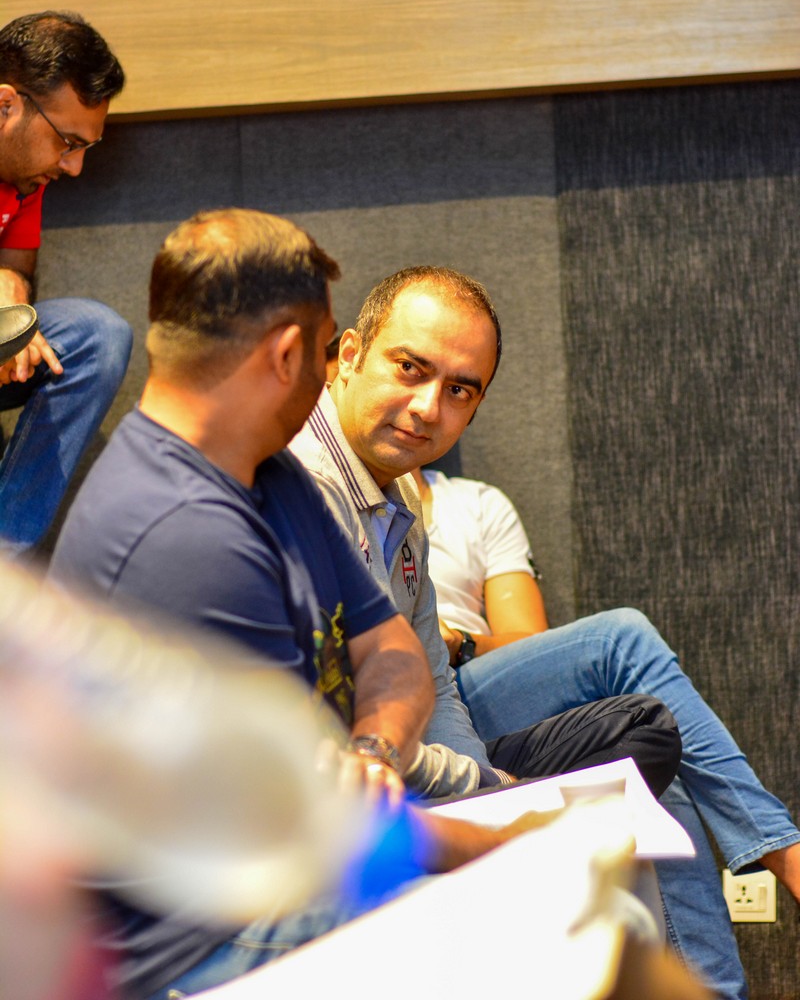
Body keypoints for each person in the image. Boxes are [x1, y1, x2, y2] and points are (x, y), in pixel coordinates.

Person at [50, 210, 677, 1000]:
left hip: (289, 862)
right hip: (209, 941)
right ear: (293, 355)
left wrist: (376, 754)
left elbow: (393, 649)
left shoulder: (263, 471)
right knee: (599, 923)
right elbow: (308, 824)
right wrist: (504, 839)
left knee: (604, 882)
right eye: (325, 349)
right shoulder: (185, 534)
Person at [293, 265, 800, 1000]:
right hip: (345, 784)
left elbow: (441, 674)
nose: (428, 407)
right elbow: (340, 728)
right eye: (410, 368)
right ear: (348, 356)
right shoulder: (299, 486)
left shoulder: (417, 502)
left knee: (652, 750)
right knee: (623, 645)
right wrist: (486, 799)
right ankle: (781, 862)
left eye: (460, 390)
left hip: (445, 726)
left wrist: (485, 796)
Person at [0, 11, 133, 558]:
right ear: (6, 105)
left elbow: (16, 265)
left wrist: (10, 300)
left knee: (97, 335)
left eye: (84, 149)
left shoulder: (24, 176)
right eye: (67, 141)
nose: (73, 167)